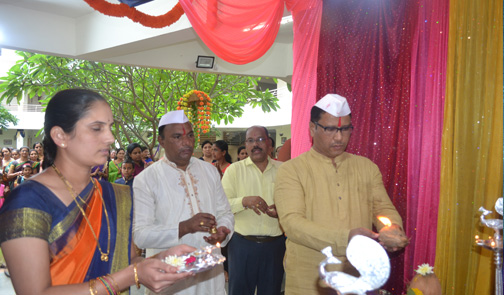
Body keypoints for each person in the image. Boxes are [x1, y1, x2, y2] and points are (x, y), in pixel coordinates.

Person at [0, 89, 194, 295]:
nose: (110, 138)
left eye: (110, 127)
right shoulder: (28, 200)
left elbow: (127, 261)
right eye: (96, 129)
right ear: (60, 136)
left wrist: (164, 261)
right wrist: (131, 275)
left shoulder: (114, 194)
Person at [274, 94, 405, 295]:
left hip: (357, 276)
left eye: (345, 129)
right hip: (309, 279)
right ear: (312, 128)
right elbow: (292, 224)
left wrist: (393, 229)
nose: (339, 137)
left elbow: (383, 209)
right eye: (330, 129)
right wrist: (346, 239)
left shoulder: (367, 168)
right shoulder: (291, 170)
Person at [133, 110, 234, 295]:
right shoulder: (146, 179)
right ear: (161, 141)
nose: (187, 142)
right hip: (172, 277)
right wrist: (184, 227)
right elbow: (140, 235)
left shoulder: (209, 171)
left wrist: (223, 231)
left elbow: (225, 213)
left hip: (210, 274)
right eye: (177, 137)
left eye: (190, 135)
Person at [222, 126, 285, 295]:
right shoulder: (234, 170)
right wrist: (244, 201)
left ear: (269, 144)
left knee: (271, 291)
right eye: (250, 140)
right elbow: (222, 205)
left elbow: (295, 202)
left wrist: (283, 210)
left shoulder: (284, 170)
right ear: (245, 145)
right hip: (242, 245)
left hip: (275, 246)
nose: (255, 144)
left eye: (260, 140)